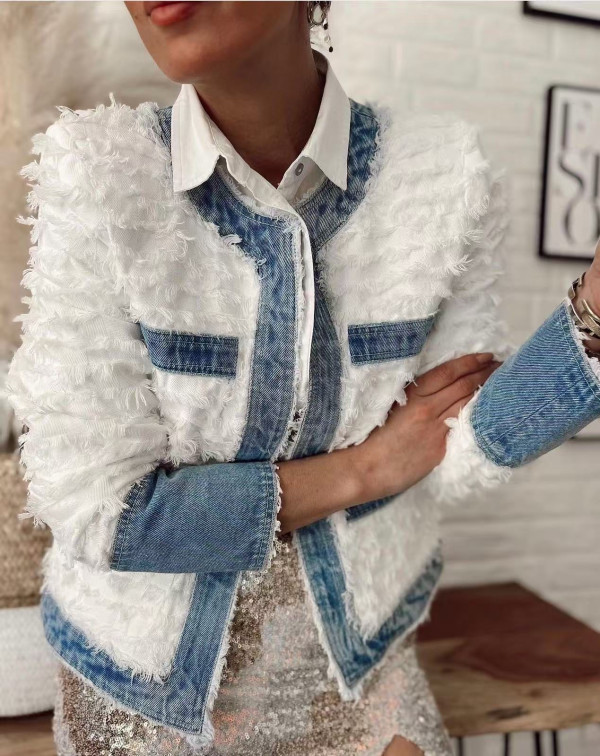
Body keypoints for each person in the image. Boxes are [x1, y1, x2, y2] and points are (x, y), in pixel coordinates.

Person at [5, 2, 600, 755]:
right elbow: (102, 511)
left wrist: (593, 316)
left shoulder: (446, 173)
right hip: (145, 686)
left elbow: (453, 445)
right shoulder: (96, 171)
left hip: (363, 663)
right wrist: (366, 468)